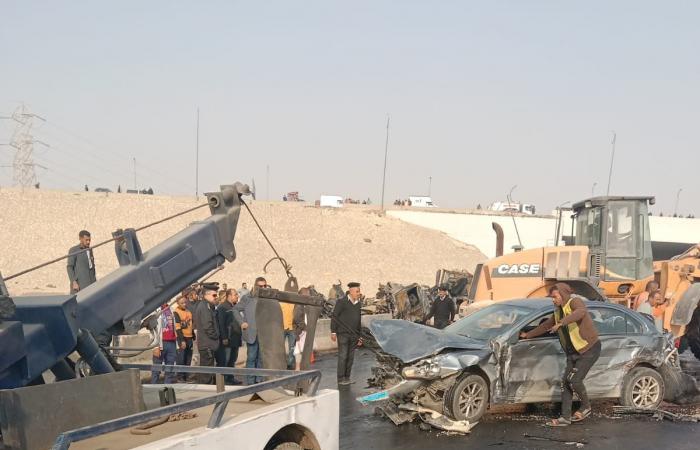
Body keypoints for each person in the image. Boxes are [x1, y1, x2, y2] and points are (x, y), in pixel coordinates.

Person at [520, 283, 601, 427]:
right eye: (552, 297)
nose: (553, 300)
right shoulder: (557, 311)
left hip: (589, 348)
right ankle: (565, 418)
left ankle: (586, 406)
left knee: (575, 380)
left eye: (555, 297)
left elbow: (581, 312)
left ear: (563, 295)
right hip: (573, 352)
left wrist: (562, 323)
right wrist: (527, 335)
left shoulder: (574, 302)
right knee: (565, 383)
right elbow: (545, 326)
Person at [234, 277, 266, 384]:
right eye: (261, 286)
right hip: (251, 333)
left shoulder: (266, 298)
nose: (263, 288)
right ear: (255, 286)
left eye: (265, 286)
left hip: (262, 334)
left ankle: (259, 380)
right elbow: (235, 309)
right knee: (251, 358)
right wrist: (242, 322)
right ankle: (250, 382)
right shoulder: (246, 298)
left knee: (261, 359)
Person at [331, 282, 363, 386]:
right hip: (343, 334)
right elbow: (334, 316)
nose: (359, 293)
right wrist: (333, 331)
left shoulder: (358, 303)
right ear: (351, 292)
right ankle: (340, 379)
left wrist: (360, 336)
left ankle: (347, 377)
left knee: (350, 357)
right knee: (343, 356)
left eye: (359, 291)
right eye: (357, 291)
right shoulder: (342, 302)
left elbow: (358, 320)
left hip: (354, 335)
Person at [193, 283, 220, 384]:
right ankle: (206, 393)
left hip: (208, 343)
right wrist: (216, 336)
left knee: (208, 370)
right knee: (206, 372)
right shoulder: (205, 307)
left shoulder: (208, 306)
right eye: (214, 295)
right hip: (207, 344)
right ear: (206, 295)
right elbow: (207, 326)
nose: (216, 297)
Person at [216, 288, 243, 384]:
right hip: (227, 339)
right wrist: (224, 337)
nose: (237, 296)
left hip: (236, 338)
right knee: (225, 360)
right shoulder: (222, 307)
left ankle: (230, 378)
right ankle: (222, 380)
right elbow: (221, 324)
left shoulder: (236, 307)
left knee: (232, 360)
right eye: (235, 294)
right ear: (229, 296)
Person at [151, 302, 178, 384]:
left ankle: (167, 390)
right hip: (160, 343)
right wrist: (154, 346)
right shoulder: (155, 310)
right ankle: (153, 389)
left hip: (171, 342)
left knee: (170, 369)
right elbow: (151, 329)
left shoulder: (170, 308)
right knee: (156, 369)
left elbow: (174, 327)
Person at [67, 230, 96, 294]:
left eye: (89, 240)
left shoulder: (90, 250)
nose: (88, 242)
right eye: (86, 240)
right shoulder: (74, 250)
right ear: (80, 239)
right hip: (79, 286)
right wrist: (74, 282)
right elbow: (69, 267)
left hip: (91, 285)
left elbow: (92, 267)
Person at [173, 295, 194, 382]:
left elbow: (191, 324)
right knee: (181, 358)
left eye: (185, 302)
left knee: (188, 358)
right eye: (182, 303)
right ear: (178, 303)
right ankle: (180, 376)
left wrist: (193, 335)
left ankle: (187, 376)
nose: (184, 304)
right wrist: (181, 340)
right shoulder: (176, 312)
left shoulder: (188, 311)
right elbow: (177, 327)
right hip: (182, 337)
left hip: (189, 337)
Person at [293, 287, 313, 371]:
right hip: (301, 332)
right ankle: (298, 371)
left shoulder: (304, 305)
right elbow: (297, 318)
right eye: (307, 295)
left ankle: (303, 370)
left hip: (304, 331)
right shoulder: (298, 305)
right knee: (299, 351)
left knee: (303, 351)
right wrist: (305, 328)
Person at [280, 292, 297, 369]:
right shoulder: (280, 304)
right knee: (280, 346)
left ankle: (290, 363)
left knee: (292, 347)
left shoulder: (294, 304)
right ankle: (281, 363)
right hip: (282, 328)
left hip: (292, 328)